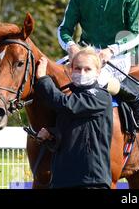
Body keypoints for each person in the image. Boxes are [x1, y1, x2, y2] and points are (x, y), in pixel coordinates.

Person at [35, 48, 114, 189]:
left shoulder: (101, 97)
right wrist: (50, 135)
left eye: (87, 69)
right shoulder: (71, 96)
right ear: (71, 70)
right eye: (78, 68)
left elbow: (66, 105)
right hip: (61, 180)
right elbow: (73, 133)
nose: (82, 73)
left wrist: (43, 79)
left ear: (98, 72)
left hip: (91, 182)